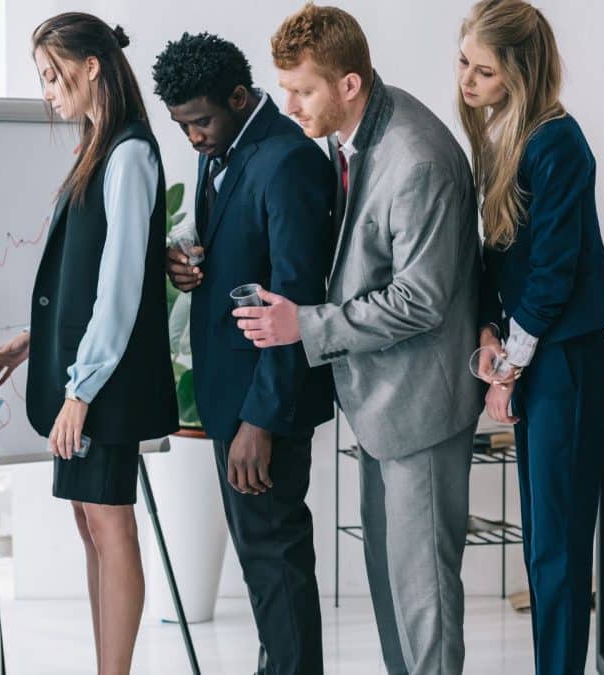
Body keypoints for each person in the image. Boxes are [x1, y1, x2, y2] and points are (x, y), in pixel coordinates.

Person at [234, 4, 483, 673]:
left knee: (422, 599)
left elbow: (420, 300)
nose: (287, 106)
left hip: (420, 410)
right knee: (397, 593)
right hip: (385, 405)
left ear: (349, 84)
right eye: (284, 87)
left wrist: (304, 325)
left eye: (302, 89)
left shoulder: (417, 157)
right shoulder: (360, 133)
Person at [0, 13, 178, 675]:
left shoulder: (129, 152)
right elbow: (82, 279)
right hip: (85, 376)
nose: (46, 90)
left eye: (52, 74)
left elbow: (121, 287)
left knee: (111, 523)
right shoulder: (99, 146)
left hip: (106, 386)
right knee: (90, 524)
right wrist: (31, 341)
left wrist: (80, 390)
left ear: (91, 65)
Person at [152, 31, 337, 675]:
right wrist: (187, 264)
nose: (195, 138)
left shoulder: (289, 160)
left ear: (239, 95)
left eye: (201, 120)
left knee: (276, 560)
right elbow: (237, 251)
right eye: (182, 126)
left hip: (268, 403)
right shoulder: (222, 150)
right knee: (262, 560)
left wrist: (260, 421)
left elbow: (296, 296)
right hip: (231, 396)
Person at [456, 2, 604, 672]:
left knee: (557, 542)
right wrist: (493, 328)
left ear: (520, 74)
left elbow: (553, 271)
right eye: (464, 62)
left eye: (485, 70)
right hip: (540, 350)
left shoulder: (557, 142)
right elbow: (507, 258)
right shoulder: (504, 133)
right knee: (545, 540)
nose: (468, 80)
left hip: (568, 356)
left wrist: (509, 369)